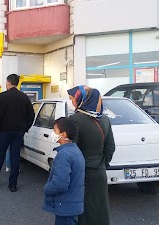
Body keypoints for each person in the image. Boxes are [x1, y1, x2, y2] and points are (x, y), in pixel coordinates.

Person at [67, 85, 115, 225]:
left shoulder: (75, 119)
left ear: (82, 99)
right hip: (99, 171)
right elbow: (110, 147)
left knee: (84, 209)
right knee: (100, 208)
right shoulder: (104, 119)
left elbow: (71, 150)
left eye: (72, 99)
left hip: (82, 172)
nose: (71, 103)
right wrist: (103, 164)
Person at [0, 74, 35, 192]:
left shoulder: (2, 97)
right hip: (18, 132)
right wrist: (25, 128)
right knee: (15, 157)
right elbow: (31, 115)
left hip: (4, 132)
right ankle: (13, 184)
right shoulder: (24, 97)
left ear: (8, 83)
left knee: (0, 156)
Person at [43, 117, 85, 225]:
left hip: (65, 206)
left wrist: (47, 188)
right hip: (72, 204)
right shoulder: (75, 151)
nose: (53, 133)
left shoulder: (64, 155)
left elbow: (60, 184)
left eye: (55, 130)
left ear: (63, 134)